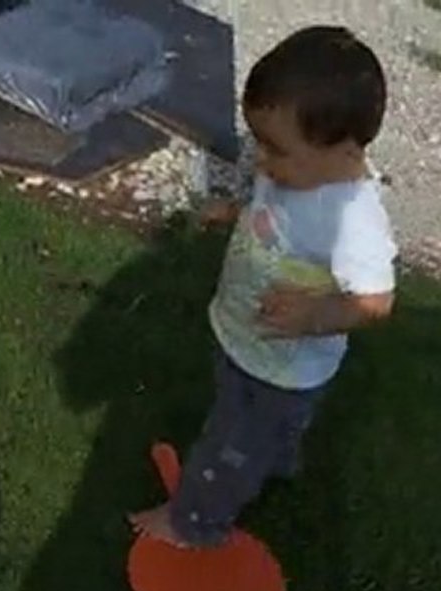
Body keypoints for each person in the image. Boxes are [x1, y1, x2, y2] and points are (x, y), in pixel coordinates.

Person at [129, 25, 397, 548]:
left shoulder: (353, 218)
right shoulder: (300, 172)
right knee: (254, 430)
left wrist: (315, 316)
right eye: (260, 143)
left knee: (225, 446)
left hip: (281, 368)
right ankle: (275, 459)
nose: (263, 161)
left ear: (344, 151)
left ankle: (193, 524)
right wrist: (237, 211)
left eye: (275, 150)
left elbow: (377, 302)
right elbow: (275, 211)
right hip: (247, 339)